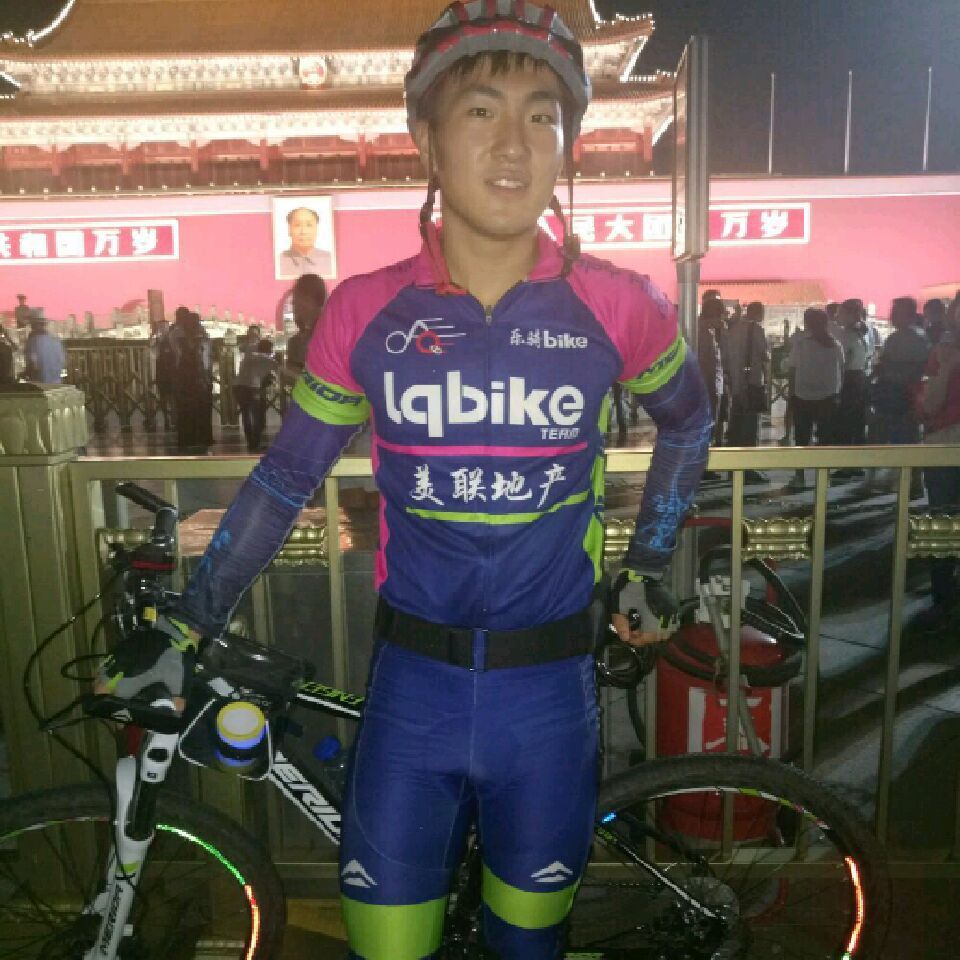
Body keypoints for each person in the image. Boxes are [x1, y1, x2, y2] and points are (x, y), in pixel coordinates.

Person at [97, 4, 712, 958]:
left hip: (550, 699)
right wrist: (189, 621)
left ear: (568, 143)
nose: (515, 144)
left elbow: (689, 420)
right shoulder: (364, 311)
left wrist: (649, 563)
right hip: (412, 695)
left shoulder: (621, 304)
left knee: (526, 949)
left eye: (543, 115)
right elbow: (288, 476)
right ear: (426, 137)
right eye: (481, 111)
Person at [913, 292, 960, 631]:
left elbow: (927, 403)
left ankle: (944, 600)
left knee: (943, 520)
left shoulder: (943, 352)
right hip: (944, 442)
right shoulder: (942, 352)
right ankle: (943, 597)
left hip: (945, 441)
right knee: (943, 520)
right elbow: (925, 402)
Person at [784, 307, 844, 491]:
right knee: (824, 439)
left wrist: (791, 394)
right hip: (828, 397)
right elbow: (842, 369)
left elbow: (792, 368)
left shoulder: (802, 344)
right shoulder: (835, 345)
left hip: (803, 396)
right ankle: (822, 476)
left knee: (801, 438)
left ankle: (800, 476)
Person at [723, 300, 769, 483]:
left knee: (735, 427)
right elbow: (765, 355)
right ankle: (748, 469)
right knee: (750, 428)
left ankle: (732, 467)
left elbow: (726, 356)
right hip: (751, 383)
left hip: (735, 384)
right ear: (759, 313)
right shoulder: (756, 329)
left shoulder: (731, 329)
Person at [833, 298, 871, 479]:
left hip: (848, 381)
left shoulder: (846, 336)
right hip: (861, 379)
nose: (838, 316)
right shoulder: (864, 333)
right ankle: (857, 463)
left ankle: (847, 465)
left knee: (845, 423)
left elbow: (842, 363)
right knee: (858, 423)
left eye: (841, 313)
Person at [170, 308, 214, 453]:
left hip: (185, 378)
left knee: (186, 410)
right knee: (201, 409)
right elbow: (206, 360)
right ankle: (202, 437)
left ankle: (188, 438)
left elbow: (177, 358)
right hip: (197, 378)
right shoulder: (202, 338)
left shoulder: (178, 338)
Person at [234, 338, 278, 452]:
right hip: (253, 388)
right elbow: (280, 372)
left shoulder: (248, 358)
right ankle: (256, 443)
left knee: (246, 416)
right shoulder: (269, 361)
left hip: (238, 387)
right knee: (256, 417)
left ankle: (250, 443)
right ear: (270, 350)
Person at [284, 272, 326, 381]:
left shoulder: (325, 338)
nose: (293, 306)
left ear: (308, 300)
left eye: (295, 301)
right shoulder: (297, 340)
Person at [276, 206, 334, 279]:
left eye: (309, 225)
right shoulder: (280, 260)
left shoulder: (329, 259)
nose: (303, 232)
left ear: (316, 230)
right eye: (297, 225)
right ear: (289, 230)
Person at [23, 313, 66, 385]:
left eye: (31, 326)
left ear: (34, 326)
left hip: (40, 385)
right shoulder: (56, 342)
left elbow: (33, 364)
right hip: (56, 384)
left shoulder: (32, 342)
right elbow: (62, 361)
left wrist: (26, 374)